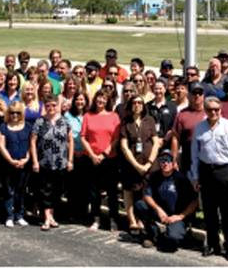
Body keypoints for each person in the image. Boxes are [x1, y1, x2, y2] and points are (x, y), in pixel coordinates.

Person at [189, 96, 228, 262]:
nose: (213, 112)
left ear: (221, 110)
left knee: (227, 212)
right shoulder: (199, 128)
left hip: (226, 171)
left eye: (216, 109)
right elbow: (195, 154)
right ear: (205, 110)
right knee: (209, 211)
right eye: (210, 109)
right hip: (207, 172)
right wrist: (195, 176)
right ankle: (213, 244)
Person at [135, 151, 198, 252]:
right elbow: (147, 195)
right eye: (162, 160)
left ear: (173, 163)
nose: (165, 163)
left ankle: (174, 233)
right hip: (161, 214)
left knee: (173, 240)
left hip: (176, 217)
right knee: (139, 205)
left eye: (168, 161)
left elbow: (194, 201)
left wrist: (181, 216)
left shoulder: (181, 179)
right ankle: (153, 234)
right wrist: (158, 209)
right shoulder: (154, 176)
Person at [31, 96, 74, 231]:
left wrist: (70, 159)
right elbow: (33, 141)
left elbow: (70, 141)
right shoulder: (40, 122)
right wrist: (35, 161)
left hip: (61, 162)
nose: (51, 108)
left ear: (58, 106)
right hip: (44, 161)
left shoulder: (65, 122)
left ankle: (51, 216)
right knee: (45, 191)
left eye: (54, 105)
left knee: (57, 190)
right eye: (48, 105)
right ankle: (47, 217)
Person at [80, 90, 121, 231]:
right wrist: (92, 155)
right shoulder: (88, 116)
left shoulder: (114, 116)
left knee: (112, 192)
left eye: (104, 99)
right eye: (99, 98)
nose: (101, 101)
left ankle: (113, 219)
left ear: (107, 101)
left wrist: (104, 154)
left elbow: (116, 138)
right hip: (92, 159)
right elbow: (83, 137)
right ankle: (96, 219)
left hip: (109, 159)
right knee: (94, 191)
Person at [120, 95, 159, 233]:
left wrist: (148, 163)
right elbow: (124, 145)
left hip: (149, 165)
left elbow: (156, 143)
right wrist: (136, 165)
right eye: (134, 102)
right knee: (129, 191)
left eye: (140, 102)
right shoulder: (126, 122)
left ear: (143, 105)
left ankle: (143, 219)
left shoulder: (150, 120)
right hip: (131, 164)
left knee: (145, 192)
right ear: (130, 105)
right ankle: (132, 220)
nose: (137, 105)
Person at [0, 101, 31, 228]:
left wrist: (27, 158)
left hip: (24, 164)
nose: (15, 115)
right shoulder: (3, 126)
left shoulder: (28, 126)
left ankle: (20, 215)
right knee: (8, 191)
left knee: (21, 190)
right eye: (12, 113)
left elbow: (31, 145)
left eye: (18, 113)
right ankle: (9, 216)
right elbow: (1, 146)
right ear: (8, 113)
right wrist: (11, 161)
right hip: (8, 164)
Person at [64, 91, 89, 224]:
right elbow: (66, 136)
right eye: (78, 100)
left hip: (86, 154)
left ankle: (83, 213)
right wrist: (73, 151)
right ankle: (71, 212)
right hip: (72, 154)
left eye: (82, 100)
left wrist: (84, 150)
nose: (80, 102)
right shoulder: (67, 116)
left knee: (84, 186)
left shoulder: (89, 115)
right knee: (72, 186)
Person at [170, 82, 206, 176]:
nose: (197, 95)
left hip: (207, 159)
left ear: (203, 95)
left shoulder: (210, 112)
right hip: (188, 159)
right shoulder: (182, 114)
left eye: (200, 93)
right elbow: (175, 138)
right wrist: (174, 159)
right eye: (194, 93)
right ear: (189, 95)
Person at [147, 79, 177, 148]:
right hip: (150, 143)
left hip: (167, 143)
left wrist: (164, 140)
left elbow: (174, 126)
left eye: (160, 89)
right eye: (156, 89)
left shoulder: (172, 106)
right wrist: (155, 140)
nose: (158, 91)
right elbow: (146, 125)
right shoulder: (147, 106)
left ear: (165, 89)